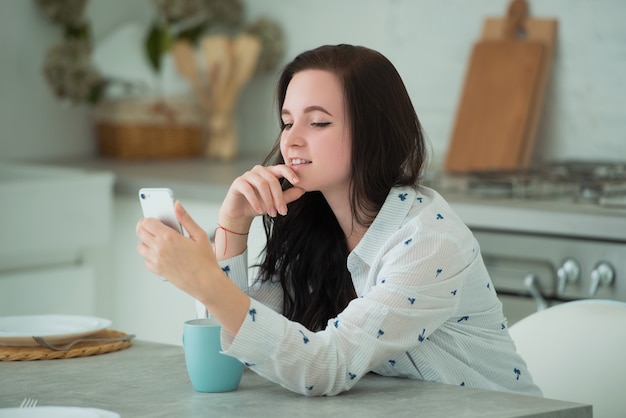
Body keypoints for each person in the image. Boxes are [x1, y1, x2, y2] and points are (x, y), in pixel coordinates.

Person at [136, 44, 542, 397]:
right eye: (287, 121)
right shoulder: (313, 229)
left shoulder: (429, 240)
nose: (291, 140)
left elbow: (323, 368)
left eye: (318, 122)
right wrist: (234, 226)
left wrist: (202, 279)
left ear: (373, 133)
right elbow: (231, 356)